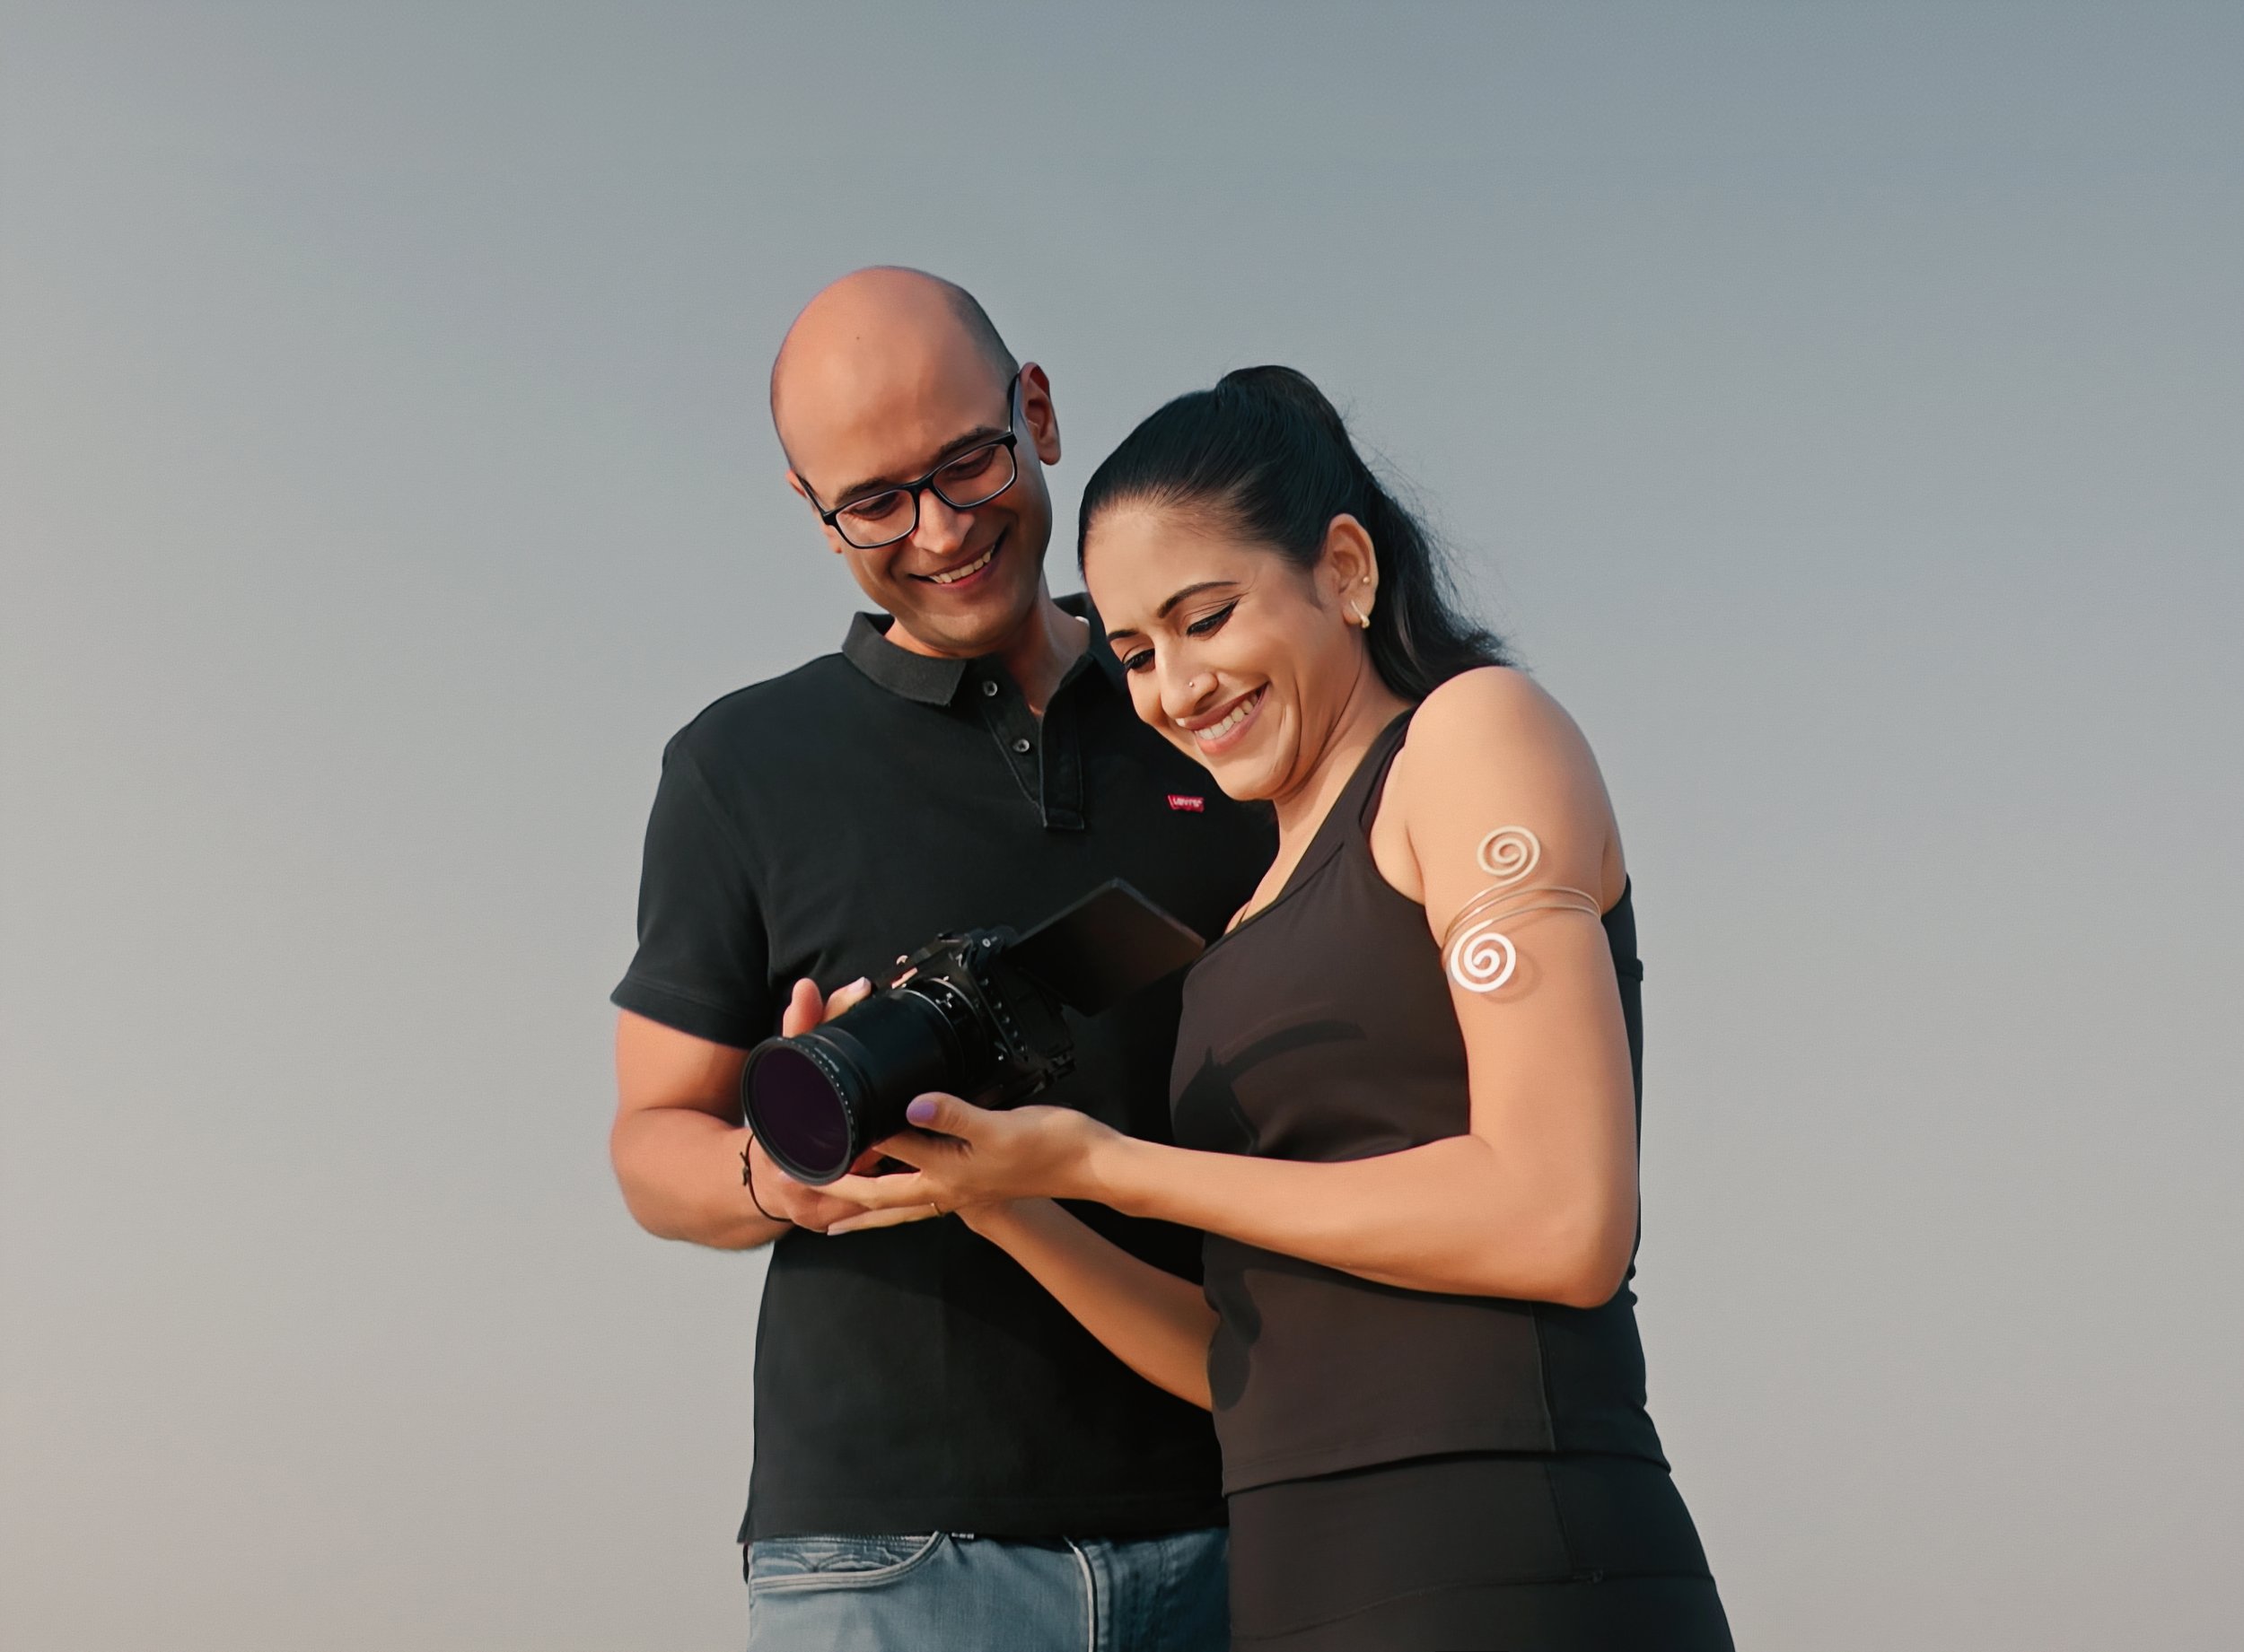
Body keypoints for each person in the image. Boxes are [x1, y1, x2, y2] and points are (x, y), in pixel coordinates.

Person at [822, 366, 1735, 1650]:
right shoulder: (1248, 923)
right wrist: (1006, 1199)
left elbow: (1562, 1214)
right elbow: (1239, 1358)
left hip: (1522, 1566)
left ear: (1346, 570)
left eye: (1207, 618)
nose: (1175, 687)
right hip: (1306, 1592)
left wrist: (1122, 1166)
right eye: (1136, 651)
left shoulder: (1471, 744)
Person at [608, 269, 1271, 1651]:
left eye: (969, 463)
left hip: (1253, 1501)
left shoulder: (1214, 688)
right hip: (895, 1553)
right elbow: (648, 1140)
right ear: (811, 506)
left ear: (1035, 408)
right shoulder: (738, 765)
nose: (941, 531)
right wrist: (784, 1175)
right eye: (876, 501)